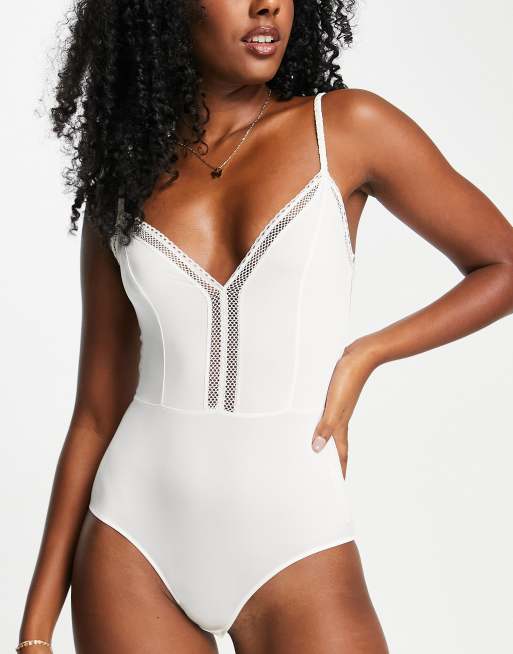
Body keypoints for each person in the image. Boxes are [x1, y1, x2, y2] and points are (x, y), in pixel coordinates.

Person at [17, 1, 513, 653]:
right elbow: (95, 411)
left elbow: (502, 264)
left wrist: (366, 355)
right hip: (132, 541)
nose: (267, 5)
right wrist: (35, 631)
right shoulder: (125, 177)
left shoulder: (346, 128)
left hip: (296, 540)